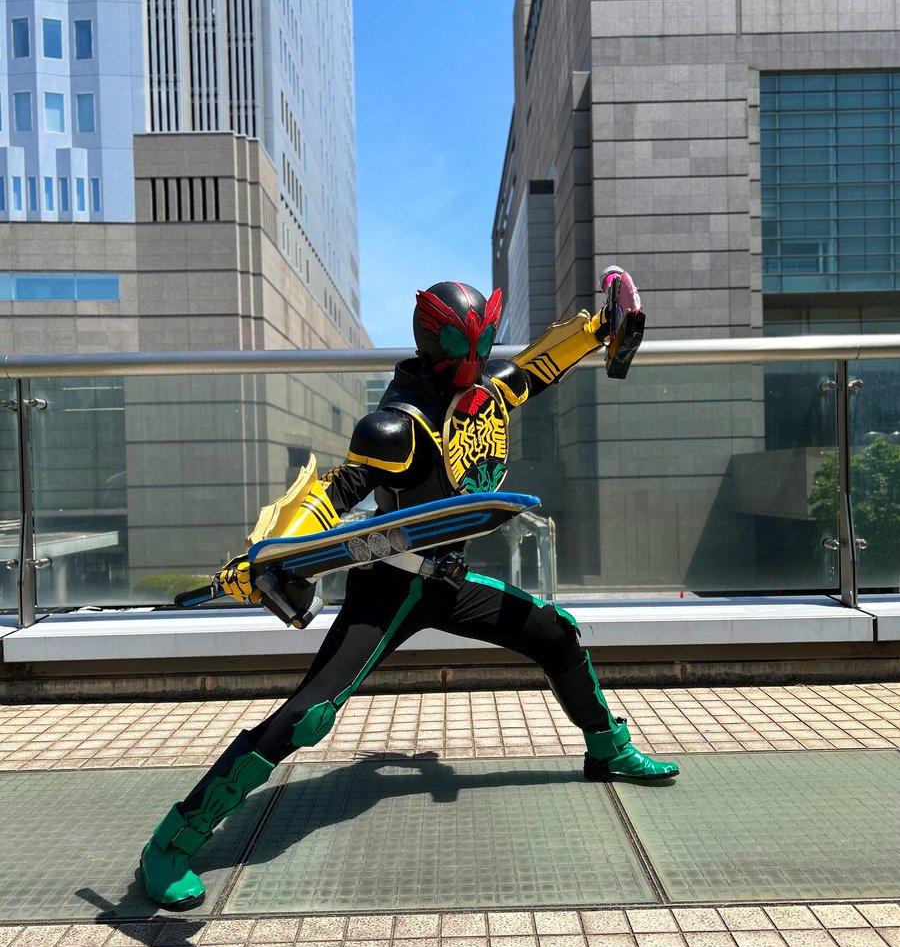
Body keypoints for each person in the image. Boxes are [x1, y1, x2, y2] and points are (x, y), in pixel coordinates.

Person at [140, 271, 678, 910]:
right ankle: (173, 840)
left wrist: (599, 328)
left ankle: (608, 749)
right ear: (432, 340)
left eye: (483, 344)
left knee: (555, 632)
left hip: (448, 581)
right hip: (389, 586)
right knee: (310, 714)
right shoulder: (399, 427)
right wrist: (272, 556)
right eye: (460, 346)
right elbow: (338, 493)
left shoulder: (481, 396)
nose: (475, 360)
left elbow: (536, 369)